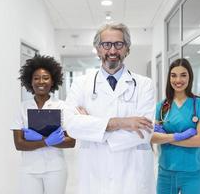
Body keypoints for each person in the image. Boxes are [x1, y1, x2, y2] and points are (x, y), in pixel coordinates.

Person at [64, 22, 155, 194]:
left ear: (127, 49)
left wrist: (92, 128)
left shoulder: (144, 85)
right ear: (98, 49)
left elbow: (146, 132)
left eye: (118, 44)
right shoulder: (81, 84)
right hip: (94, 174)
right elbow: (71, 126)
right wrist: (120, 123)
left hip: (132, 175)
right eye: (106, 44)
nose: (112, 51)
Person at [11, 55, 75, 194]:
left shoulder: (63, 107)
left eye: (46, 78)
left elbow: (71, 141)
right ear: (30, 81)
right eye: (36, 78)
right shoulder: (22, 108)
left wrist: (40, 140)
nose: (41, 81)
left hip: (55, 169)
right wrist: (48, 140)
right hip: (29, 170)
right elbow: (19, 144)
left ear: (52, 81)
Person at [151, 58, 200, 194]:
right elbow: (152, 137)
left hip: (192, 174)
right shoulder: (161, 107)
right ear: (169, 78)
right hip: (165, 173)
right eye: (174, 75)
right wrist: (179, 136)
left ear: (190, 77)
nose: (178, 80)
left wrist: (166, 138)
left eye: (183, 75)